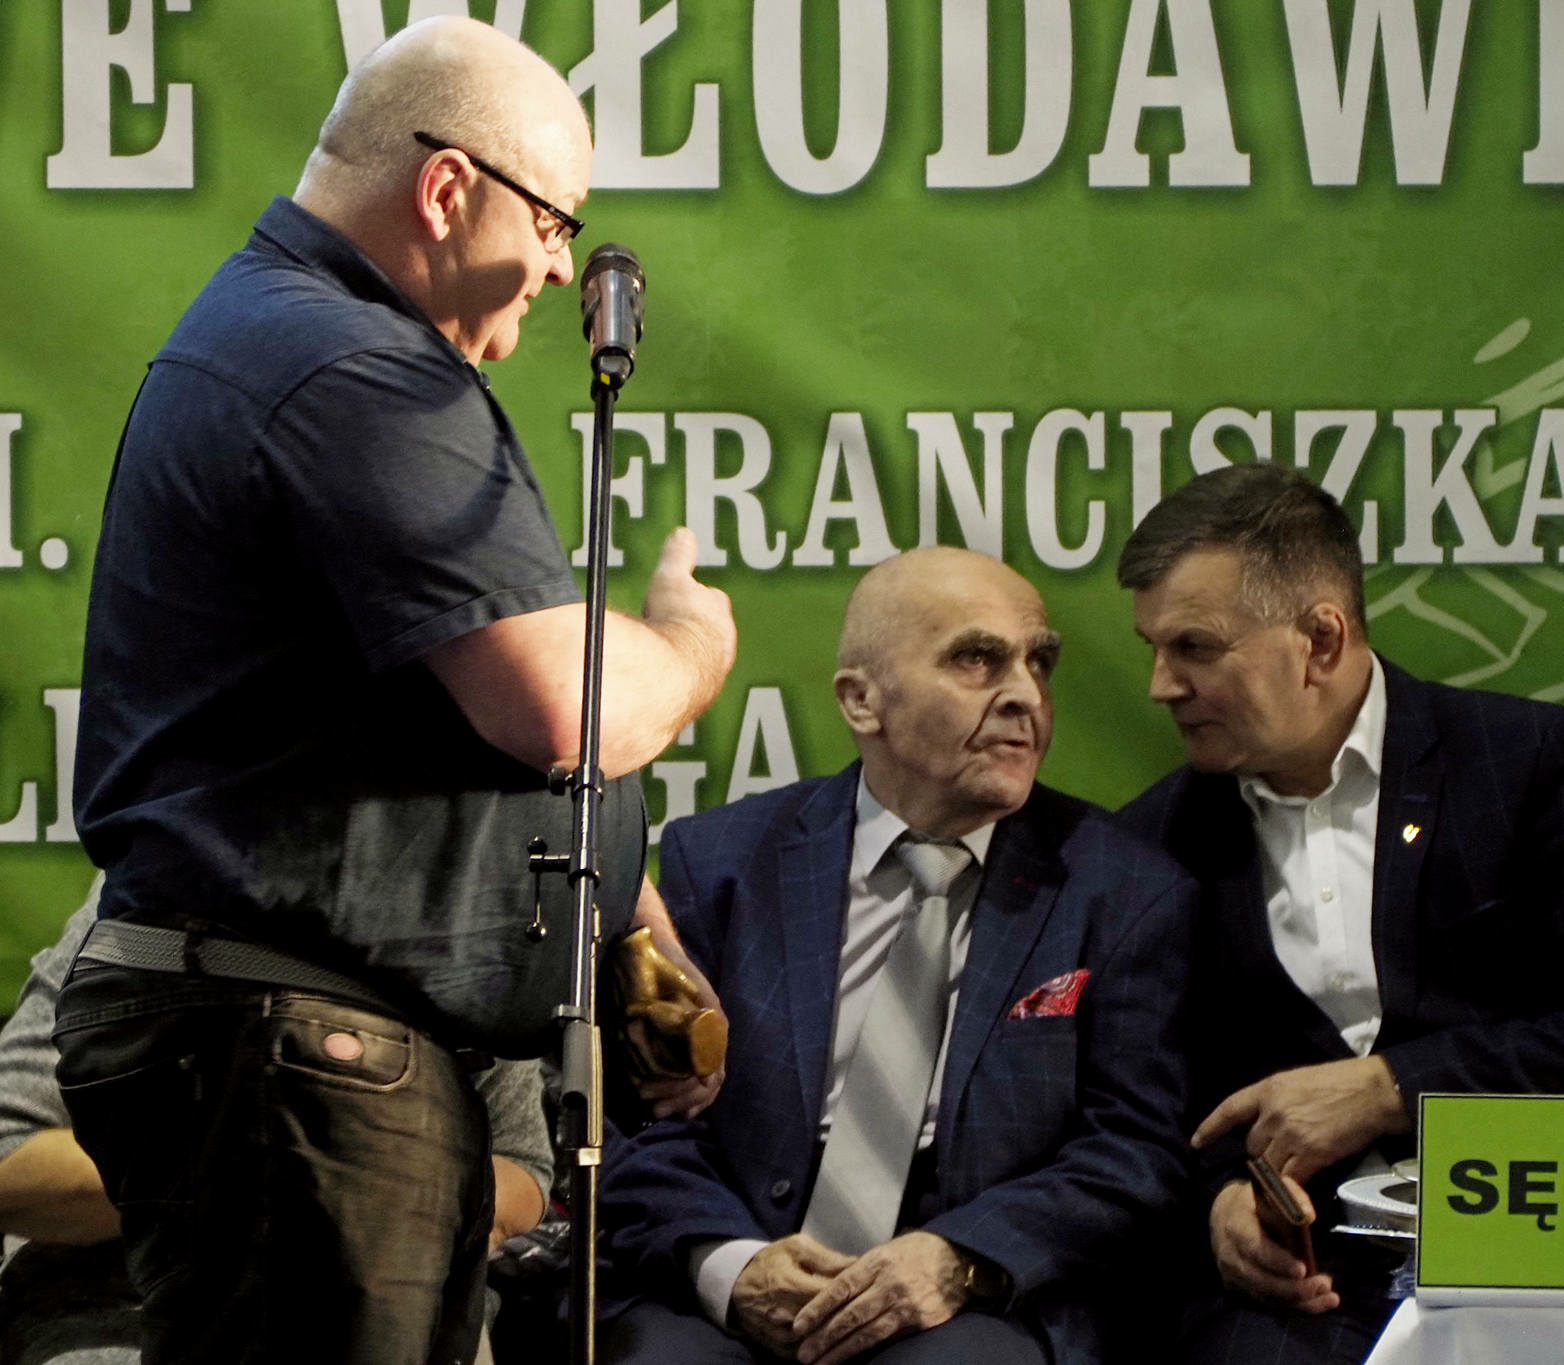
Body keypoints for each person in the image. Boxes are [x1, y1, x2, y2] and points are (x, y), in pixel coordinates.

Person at [53, 17, 736, 1364]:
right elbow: (566, 711)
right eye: (552, 221)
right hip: (292, 1059)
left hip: (294, 1053)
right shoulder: (352, 367)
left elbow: (415, 733)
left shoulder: (303, 345)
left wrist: (620, 912)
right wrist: (690, 642)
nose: (560, 265)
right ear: (446, 190)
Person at [1115, 463, 1564, 1362]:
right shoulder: (1153, 844)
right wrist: (1217, 1204)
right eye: (1153, 647)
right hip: (1298, 1296)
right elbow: (1140, 1104)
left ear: (1320, 639)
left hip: (1538, 1244)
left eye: (1195, 647)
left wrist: (1388, 1088)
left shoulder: (1527, 765)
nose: (1161, 684)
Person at [595, 548, 1198, 1365]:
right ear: (861, 700)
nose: (1026, 694)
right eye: (978, 659)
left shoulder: (1122, 889)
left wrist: (960, 1258)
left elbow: (1134, 1149)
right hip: (737, 1260)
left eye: (1039, 662)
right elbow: (636, 1116)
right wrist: (730, 1265)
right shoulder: (723, 861)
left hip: (973, 1291)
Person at [0, 881, 551, 1365]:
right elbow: (10, 1160)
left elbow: (523, 1171)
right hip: (123, 1316)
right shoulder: (142, 901)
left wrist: (357, 1188)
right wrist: (266, 1178)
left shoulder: (465, 915)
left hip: (400, 1314)